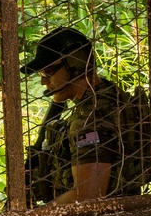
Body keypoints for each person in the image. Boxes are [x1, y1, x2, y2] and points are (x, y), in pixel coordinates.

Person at [22, 27, 128, 206]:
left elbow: (88, 195)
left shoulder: (90, 119)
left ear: (76, 64)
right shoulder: (109, 95)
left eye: (49, 71)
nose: (43, 81)